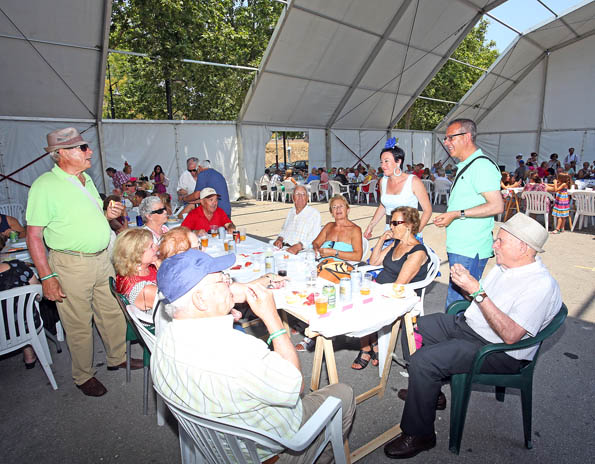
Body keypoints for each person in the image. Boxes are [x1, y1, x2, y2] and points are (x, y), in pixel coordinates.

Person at [151, 249, 356, 464]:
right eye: (223, 280)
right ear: (200, 300)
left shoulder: (163, 340)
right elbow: (295, 385)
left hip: (217, 445)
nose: (229, 284)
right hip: (264, 452)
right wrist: (272, 318)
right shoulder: (238, 351)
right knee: (343, 393)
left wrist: (220, 308)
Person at [383, 213, 561, 459]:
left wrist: (476, 290)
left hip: (499, 350)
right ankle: (428, 392)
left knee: (426, 361)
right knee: (412, 327)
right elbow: (484, 303)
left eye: (500, 241)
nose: (493, 246)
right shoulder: (506, 266)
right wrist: (467, 286)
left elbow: (510, 335)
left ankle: (420, 434)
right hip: (472, 326)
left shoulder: (539, 285)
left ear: (523, 247)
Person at [26, 127, 141, 397]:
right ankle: (83, 375)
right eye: (82, 148)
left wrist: (107, 212)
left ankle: (117, 357)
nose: (89, 151)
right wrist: (46, 277)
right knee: (78, 322)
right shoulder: (45, 186)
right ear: (62, 154)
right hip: (71, 264)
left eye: (86, 146)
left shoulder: (85, 179)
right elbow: (33, 236)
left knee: (112, 312)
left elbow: (88, 216)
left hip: (101, 259)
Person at [433, 119, 504, 309]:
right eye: (445, 138)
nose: (446, 142)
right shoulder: (467, 165)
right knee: (458, 300)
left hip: (470, 247)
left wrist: (457, 214)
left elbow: (497, 206)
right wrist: (451, 215)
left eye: (450, 138)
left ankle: (456, 337)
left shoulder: (481, 166)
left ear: (467, 137)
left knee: (458, 304)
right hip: (460, 245)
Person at [352, 207, 429, 370]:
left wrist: (373, 291)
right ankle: (370, 345)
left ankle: (370, 346)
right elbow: (373, 262)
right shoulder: (396, 243)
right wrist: (381, 240)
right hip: (382, 288)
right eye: (390, 222)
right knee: (352, 295)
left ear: (409, 225)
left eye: (395, 223)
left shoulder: (417, 252)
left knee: (359, 304)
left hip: (398, 296)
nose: (391, 227)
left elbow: (399, 285)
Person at [363, 139, 432, 240]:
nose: (383, 165)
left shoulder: (413, 181)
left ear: (398, 161)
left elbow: (428, 210)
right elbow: (383, 206)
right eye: (381, 162)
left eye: (387, 161)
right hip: (389, 232)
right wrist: (371, 226)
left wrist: (414, 233)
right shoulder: (383, 181)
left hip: (409, 233)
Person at [113, 228, 158, 318]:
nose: (156, 248)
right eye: (151, 246)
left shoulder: (135, 270)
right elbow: (177, 306)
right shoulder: (144, 289)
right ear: (136, 254)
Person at [272, 185, 321, 255]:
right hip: (284, 248)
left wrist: (299, 246)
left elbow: (315, 237)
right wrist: (280, 239)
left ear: (307, 198)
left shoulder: (314, 214)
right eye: (297, 194)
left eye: (303, 194)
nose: (300, 197)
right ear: (293, 198)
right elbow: (284, 230)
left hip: (301, 252)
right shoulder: (291, 212)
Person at [313, 195, 363, 262]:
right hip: (321, 265)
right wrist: (316, 249)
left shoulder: (355, 230)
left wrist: (334, 253)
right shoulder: (328, 226)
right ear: (331, 213)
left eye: (341, 206)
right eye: (334, 207)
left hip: (341, 268)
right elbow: (316, 243)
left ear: (348, 210)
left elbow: (358, 256)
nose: (338, 209)